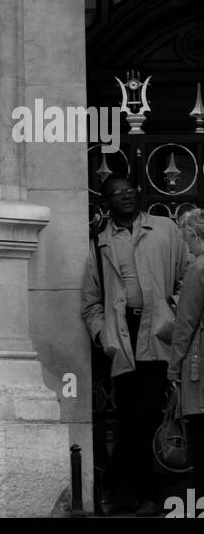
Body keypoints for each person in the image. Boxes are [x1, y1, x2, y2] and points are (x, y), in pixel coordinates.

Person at [81, 173, 190, 516]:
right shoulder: (100, 242)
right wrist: (104, 335)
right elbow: (91, 303)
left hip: (158, 332)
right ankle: (142, 496)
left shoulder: (165, 229)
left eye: (130, 190)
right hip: (122, 335)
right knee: (133, 418)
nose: (126, 196)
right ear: (106, 201)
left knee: (142, 418)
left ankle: (120, 489)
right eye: (117, 193)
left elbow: (189, 274)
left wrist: (173, 314)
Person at [167, 207, 204, 488]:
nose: (188, 250)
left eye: (187, 241)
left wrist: (174, 368)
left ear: (194, 235)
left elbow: (185, 324)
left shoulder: (198, 268)